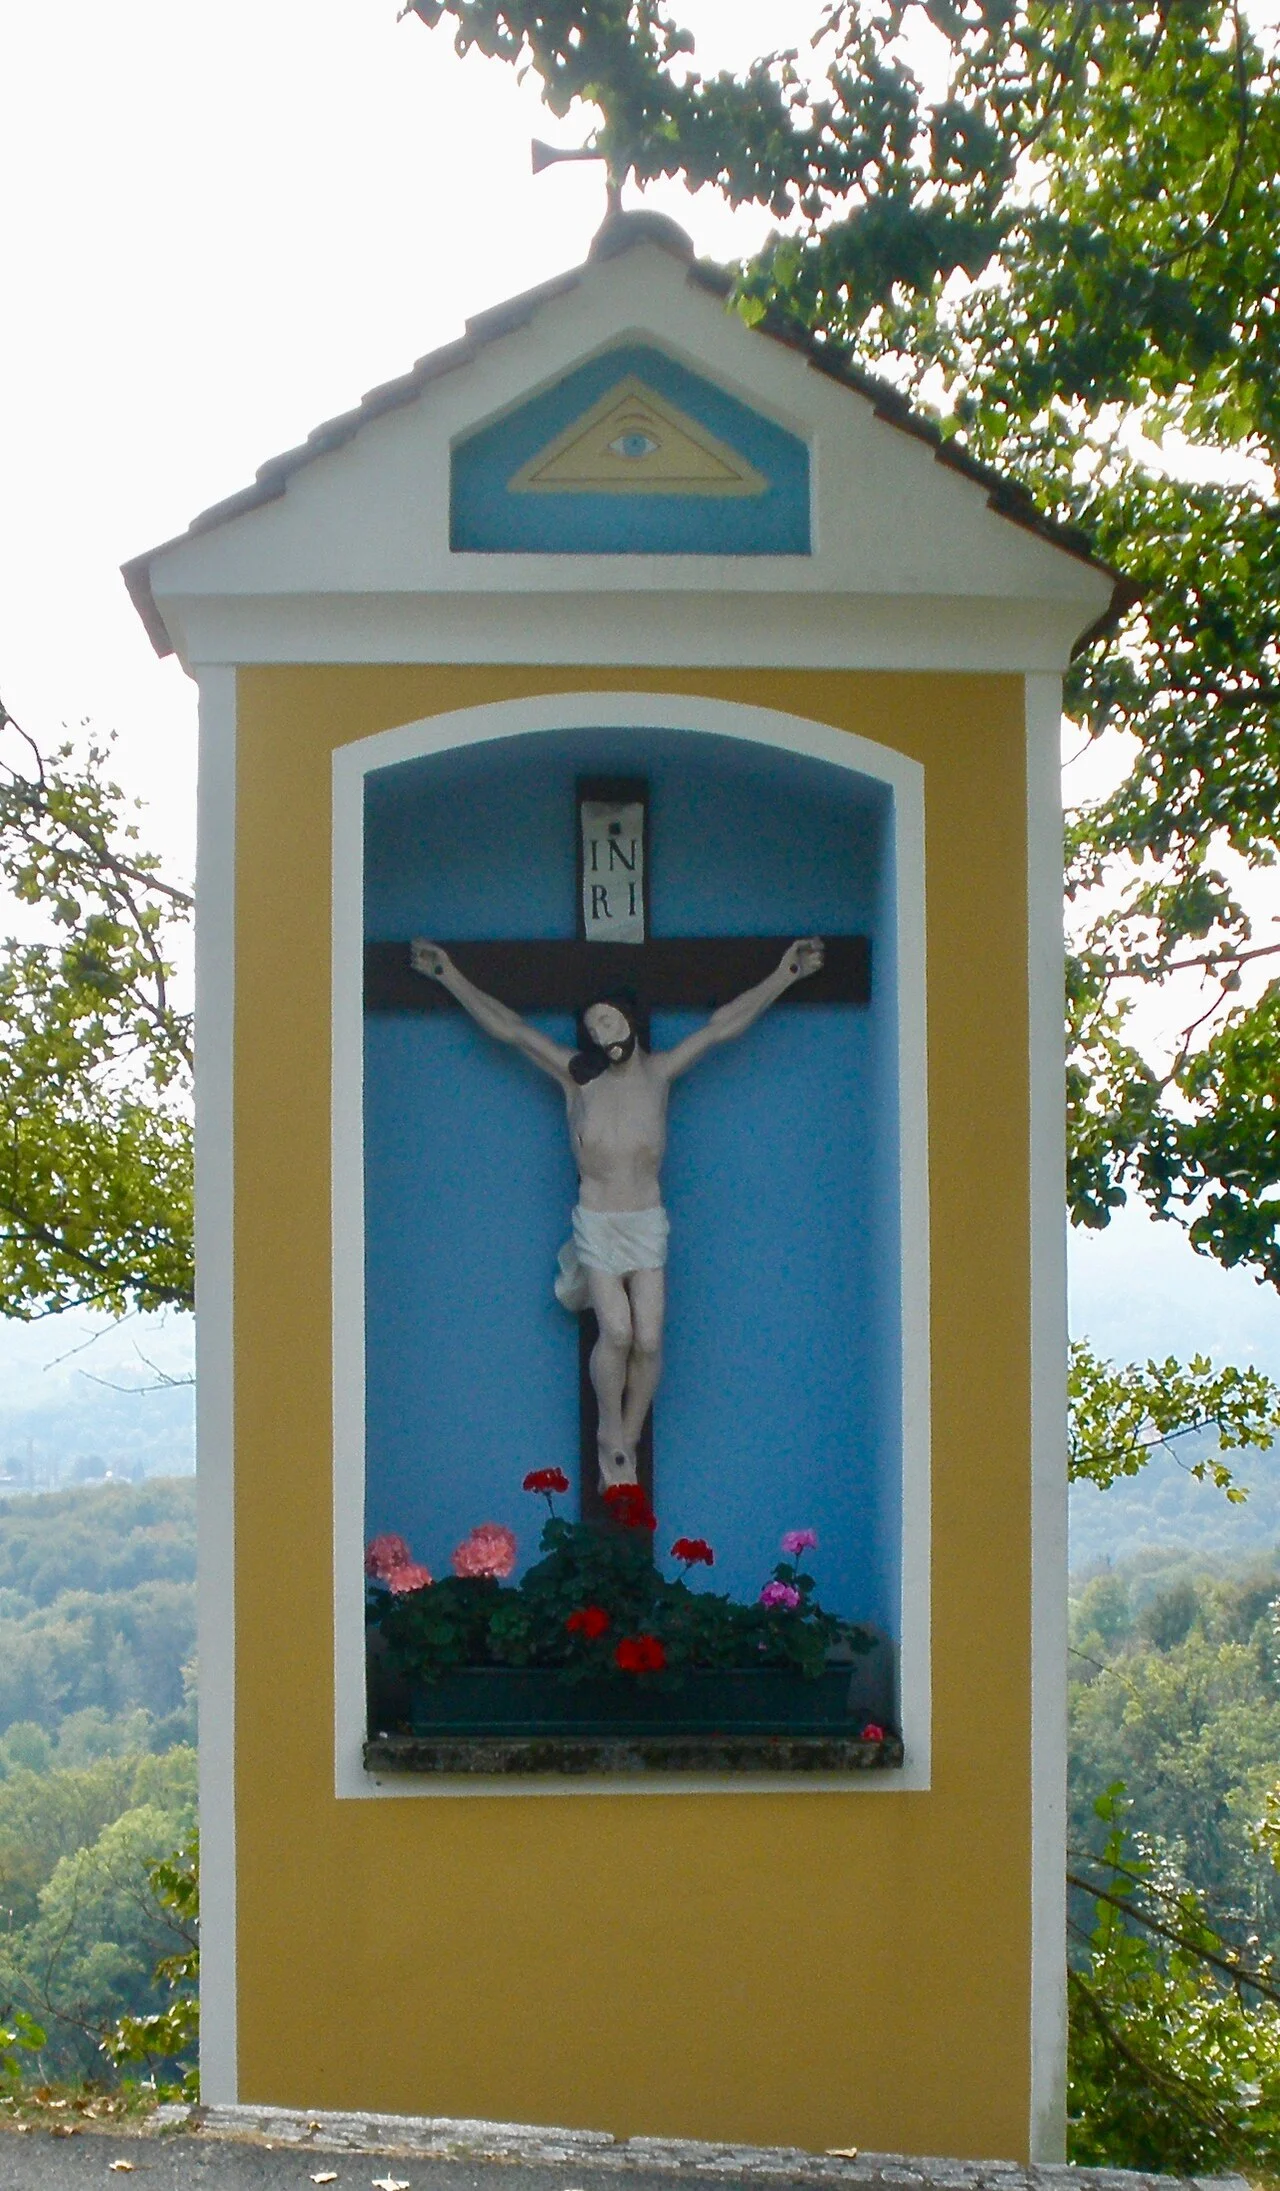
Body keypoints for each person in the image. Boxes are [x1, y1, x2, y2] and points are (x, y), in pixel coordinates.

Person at [409, 936, 825, 1490]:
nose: (603, 1033)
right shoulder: (578, 1080)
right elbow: (511, 1030)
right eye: (594, 1027)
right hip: (599, 1224)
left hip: (646, 1222)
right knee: (619, 1331)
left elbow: (721, 1027)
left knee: (649, 1339)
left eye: (608, 1019)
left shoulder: (659, 1074)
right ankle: (610, 1429)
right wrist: (448, 974)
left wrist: (786, 974)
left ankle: (625, 1436)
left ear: (629, 1019)